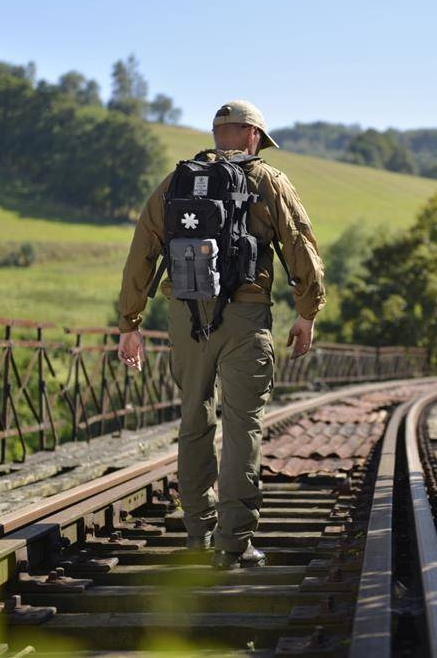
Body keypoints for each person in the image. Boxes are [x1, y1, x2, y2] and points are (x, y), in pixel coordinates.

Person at [115, 100, 326, 569]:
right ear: (253, 135)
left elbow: (142, 251)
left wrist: (130, 323)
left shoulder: (177, 182)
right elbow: (300, 246)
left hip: (185, 314)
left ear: (216, 133)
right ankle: (233, 542)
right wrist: (307, 311)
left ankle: (198, 531)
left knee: (194, 419)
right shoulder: (267, 180)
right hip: (245, 316)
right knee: (242, 423)